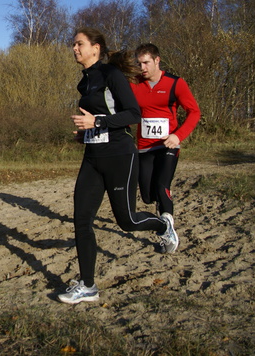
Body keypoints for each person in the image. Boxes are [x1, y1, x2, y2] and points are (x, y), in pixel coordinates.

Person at [58, 29, 178, 305]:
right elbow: (99, 117)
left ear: (96, 48)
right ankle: (87, 285)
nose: (74, 48)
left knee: (127, 220)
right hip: (93, 156)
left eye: (79, 44)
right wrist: (85, 133)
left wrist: (97, 123)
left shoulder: (111, 75)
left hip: (119, 155)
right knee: (81, 219)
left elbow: (133, 114)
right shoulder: (84, 83)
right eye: (73, 44)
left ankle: (162, 225)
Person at [132, 43, 201, 224]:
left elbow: (194, 112)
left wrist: (178, 136)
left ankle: (167, 230)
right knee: (147, 195)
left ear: (157, 60)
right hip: (144, 148)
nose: (142, 68)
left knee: (162, 186)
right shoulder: (135, 85)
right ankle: (158, 212)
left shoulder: (176, 83)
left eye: (146, 63)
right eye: (139, 64)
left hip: (167, 145)